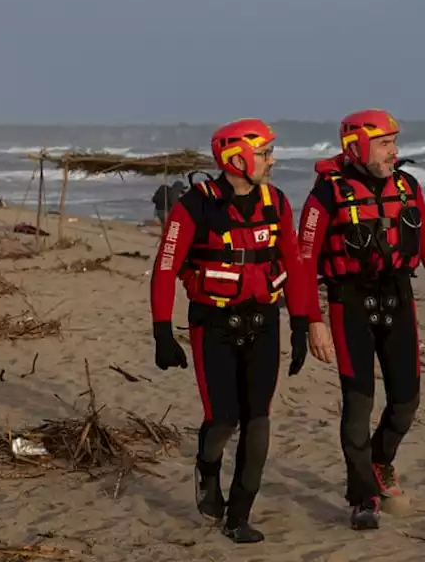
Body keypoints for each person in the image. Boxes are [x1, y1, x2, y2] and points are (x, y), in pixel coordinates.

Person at [296, 108, 425, 530]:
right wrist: (312, 321)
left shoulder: (408, 187)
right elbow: (303, 262)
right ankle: (362, 496)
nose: (395, 151)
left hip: (398, 296)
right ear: (357, 146)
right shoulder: (326, 194)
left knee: (406, 402)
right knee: (359, 403)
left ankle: (381, 462)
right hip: (348, 300)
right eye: (385, 143)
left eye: (395, 143)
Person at [148, 118, 311, 544]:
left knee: (258, 422)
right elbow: (165, 269)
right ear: (237, 157)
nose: (271, 161)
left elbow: (293, 263)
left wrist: (300, 322)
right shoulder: (195, 205)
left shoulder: (276, 202)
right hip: (213, 326)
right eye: (264, 153)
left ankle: (238, 515)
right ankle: (206, 467)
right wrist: (163, 331)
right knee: (223, 420)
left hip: (264, 324)